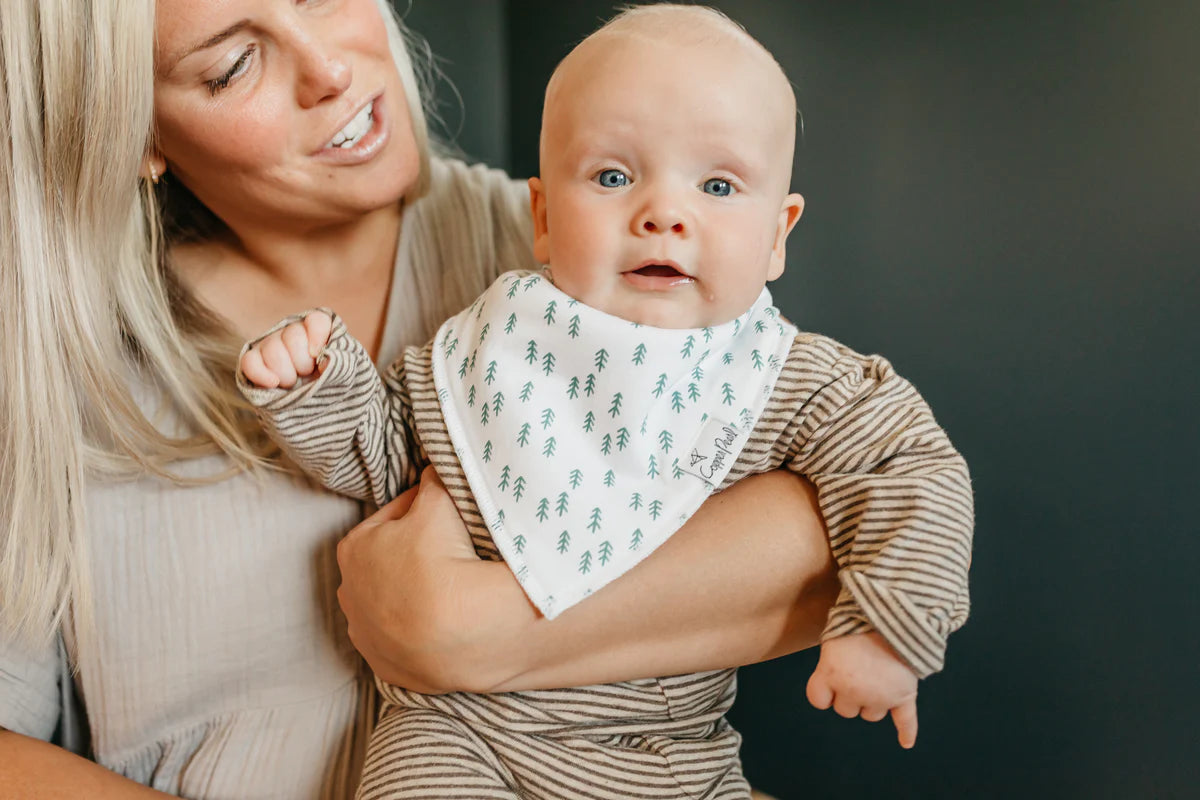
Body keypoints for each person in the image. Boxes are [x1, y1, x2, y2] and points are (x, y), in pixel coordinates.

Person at [0, 0, 848, 797]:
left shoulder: (590, 252)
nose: (329, 67)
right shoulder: (52, 371)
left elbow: (850, 523)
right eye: (232, 66)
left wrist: (470, 629)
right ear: (132, 126)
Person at [238, 5, 974, 799]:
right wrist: (319, 382)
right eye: (614, 177)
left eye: (719, 184)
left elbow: (914, 469)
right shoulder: (500, 345)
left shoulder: (788, 377)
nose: (662, 212)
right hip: (459, 734)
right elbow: (381, 455)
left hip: (663, 750)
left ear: (777, 235)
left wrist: (887, 627)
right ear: (546, 218)